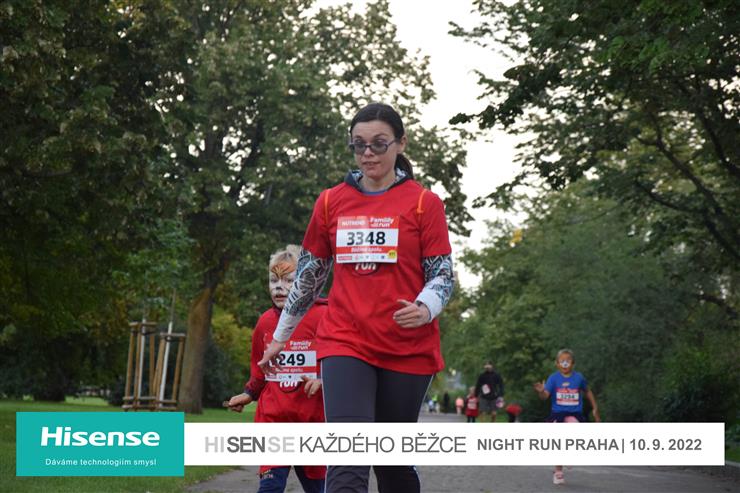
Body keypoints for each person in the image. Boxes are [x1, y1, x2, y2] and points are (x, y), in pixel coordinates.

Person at [258, 102, 455, 493]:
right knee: (348, 457)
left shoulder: (423, 203)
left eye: (379, 144)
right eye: (359, 144)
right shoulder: (331, 202)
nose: (368, 153)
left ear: (400, 143)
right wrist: (281, 336)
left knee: (391, 463)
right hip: (345, 341)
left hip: (407, 348)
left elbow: (442, 274)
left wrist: (425, 306)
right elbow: (310, 276)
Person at [226, 245, 327, 493]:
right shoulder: (265, 322)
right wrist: (250, 393)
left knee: (318, 488)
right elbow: (259, 367)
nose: (279, 287)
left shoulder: (324, 316)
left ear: (306, 282)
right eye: (273, 280)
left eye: (289, 280)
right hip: (274, 419)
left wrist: (324, 379)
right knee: (270, 488)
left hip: (313, 421)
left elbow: (340, 360)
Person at [533, 348, 601, 485]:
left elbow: (588, 392)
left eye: (568, 361)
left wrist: (595, 408)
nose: (565, 363)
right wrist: (541, 391)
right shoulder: (553, 378)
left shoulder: (579, 378)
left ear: (573, 363)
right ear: (557, 363)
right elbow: (545, 396)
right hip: (558, 414)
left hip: (574, 414)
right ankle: (558, 472)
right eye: (562, 361)